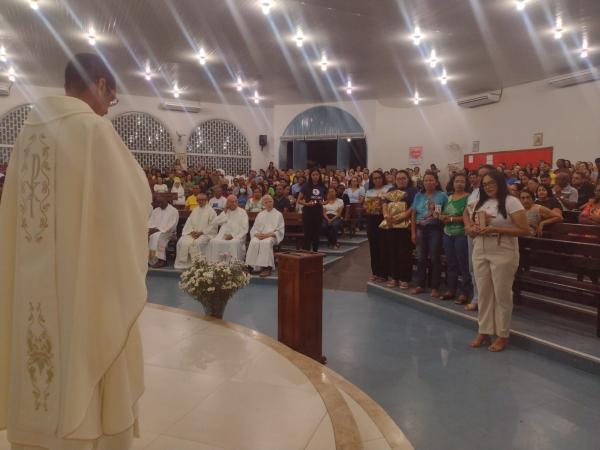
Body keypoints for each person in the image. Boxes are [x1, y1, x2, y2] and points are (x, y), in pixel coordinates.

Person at [0, 53, 149, 449]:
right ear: (101, 84)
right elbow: (133, 201)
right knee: (89, 338)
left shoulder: (28, 133)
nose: (107, 107)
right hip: (85, 276)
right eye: (111, 97)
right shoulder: (93, 130)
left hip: (35, 277)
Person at [464, 171, 529, 352]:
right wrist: (472, 228)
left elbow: (525, 229)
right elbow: (468, 224)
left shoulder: (511, 201)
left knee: (502, 293)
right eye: (485, 184)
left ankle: (502, 335)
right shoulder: (480, 202)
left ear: (500, 183)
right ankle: (484, 330)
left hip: (502, 249)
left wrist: (497, 228)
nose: (488, 187)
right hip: (481, 247)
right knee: (484, 292)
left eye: (492, 183)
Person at [464, 164, 495, 312]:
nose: (480, 179)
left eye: (484, 175)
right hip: (473, 234)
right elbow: (466, 211)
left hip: (491, 236)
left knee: (488, 270)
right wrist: (468, 226)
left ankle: (488, 301)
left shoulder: (497, 193)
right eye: (479, 175)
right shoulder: (474, 192)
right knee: (474, 267)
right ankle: (477, 298)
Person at [411, 173, 448, 298]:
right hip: (420, 229)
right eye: (426, 180)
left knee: (435, 258)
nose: (428, 182)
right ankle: (420, 285)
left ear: (436, 182)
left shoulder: (442, 196)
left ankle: (434, 287)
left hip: (435, 229)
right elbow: (413, 214)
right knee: (421, 258)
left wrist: (436, 213)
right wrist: (413, 232)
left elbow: (446, 212)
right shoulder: (418, 195)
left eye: (431, 180)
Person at [381, 170, 416, 289]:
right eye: (399, 178)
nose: (401, 180)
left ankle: (405, 279)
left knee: (404, 253)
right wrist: (386, 215)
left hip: (405, 226)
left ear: (408, 179)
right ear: (395, 180)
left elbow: (414, 206)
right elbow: (385, 203)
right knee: (392, 251)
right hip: (391, 225)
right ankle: (394, 277)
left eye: (403, 178)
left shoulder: (413, 191)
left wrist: (404, 215)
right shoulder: (391, 190)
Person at [440, 173, 471, 303]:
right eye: (457, 181)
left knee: (463, 264)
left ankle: (464, 293)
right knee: (451, 263)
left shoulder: (469, 198)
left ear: (466, 184)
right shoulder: (448, 197)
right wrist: (441, 216)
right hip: (447, 234)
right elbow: (443, 213)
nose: (459, 184)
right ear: (453, 183)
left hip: (461, 234)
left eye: (462, 182)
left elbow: (467, 217)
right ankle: (451, 290)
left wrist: (451, 219)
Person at [174, 193, 218, 269]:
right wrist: (191, 232)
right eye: (199, 200)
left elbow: (213, 226)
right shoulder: (195, 210)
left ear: (206, 201)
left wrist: (201, 233)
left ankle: (197, 264)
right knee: (182, 241)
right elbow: (189, 222)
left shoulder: (211, 211)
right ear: (197, 201)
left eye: (202, 200)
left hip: (205, 234)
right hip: (193, 234)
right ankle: (183, 264)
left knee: (197, 243)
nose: (200, 201)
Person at [245, 195, 285, 277]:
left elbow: (280, 230)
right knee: (253, 242)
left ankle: (266, 267)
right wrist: (257, 234)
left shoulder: (278, 214)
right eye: (266, 202)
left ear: (273, 202)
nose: (268, 204)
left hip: (271, 236)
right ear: (263, 204)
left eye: (270, 201)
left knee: (266, 243)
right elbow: (254, 228)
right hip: (260, 235)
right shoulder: (260, 214)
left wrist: (268, 235)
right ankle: (250, 266)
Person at [206, 195, 249, 263]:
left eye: (235, 202)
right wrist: (224, 211)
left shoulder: (242, 212)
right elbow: (215, 222)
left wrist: (233, 236)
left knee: (234, 243)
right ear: (227, 203)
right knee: (213, 242)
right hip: (223, 236)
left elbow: (245, 229)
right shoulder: (226, 212)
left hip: (236, 237)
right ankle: (215, 264)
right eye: (231, 202)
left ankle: (233, 265)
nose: (234, 203)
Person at [365, 170, 389, 282]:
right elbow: (366, 206)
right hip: (371, 219)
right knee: (373, 247)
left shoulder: (388, 189)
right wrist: (370, 207)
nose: (377, 180)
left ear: (382, 178)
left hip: (383, 219)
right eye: (374, 178)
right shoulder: (369, 191)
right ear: (372, 180)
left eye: (379, 177)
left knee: (383, 246)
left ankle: (384, 274)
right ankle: (375, 272)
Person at [297, 169, 326, 251]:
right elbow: (299, 200)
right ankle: (306, 252)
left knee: (316, 233)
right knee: (307, 233)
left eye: (317, 175)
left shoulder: (323, 186)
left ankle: (315, 252)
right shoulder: (306, 186)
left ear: (319, 176)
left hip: (318, 211)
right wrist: (307, 203)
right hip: (308, 212)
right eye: (313, 175)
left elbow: (327, 200)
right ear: (310, 176)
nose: (315, 176)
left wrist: (322, 203)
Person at [148, 196, 179, 268]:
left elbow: (173, 225)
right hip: (156, 231)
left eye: (161, 203)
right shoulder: (155, 210)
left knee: (159, 237)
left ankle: (161, 260)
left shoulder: (173, 211)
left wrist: (159, 230)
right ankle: (151, 259)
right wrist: (151, 229)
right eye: (158, 203)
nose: (159, 205)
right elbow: (150, 222)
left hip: (169, 232)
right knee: (149, 236)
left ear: (166, 201)